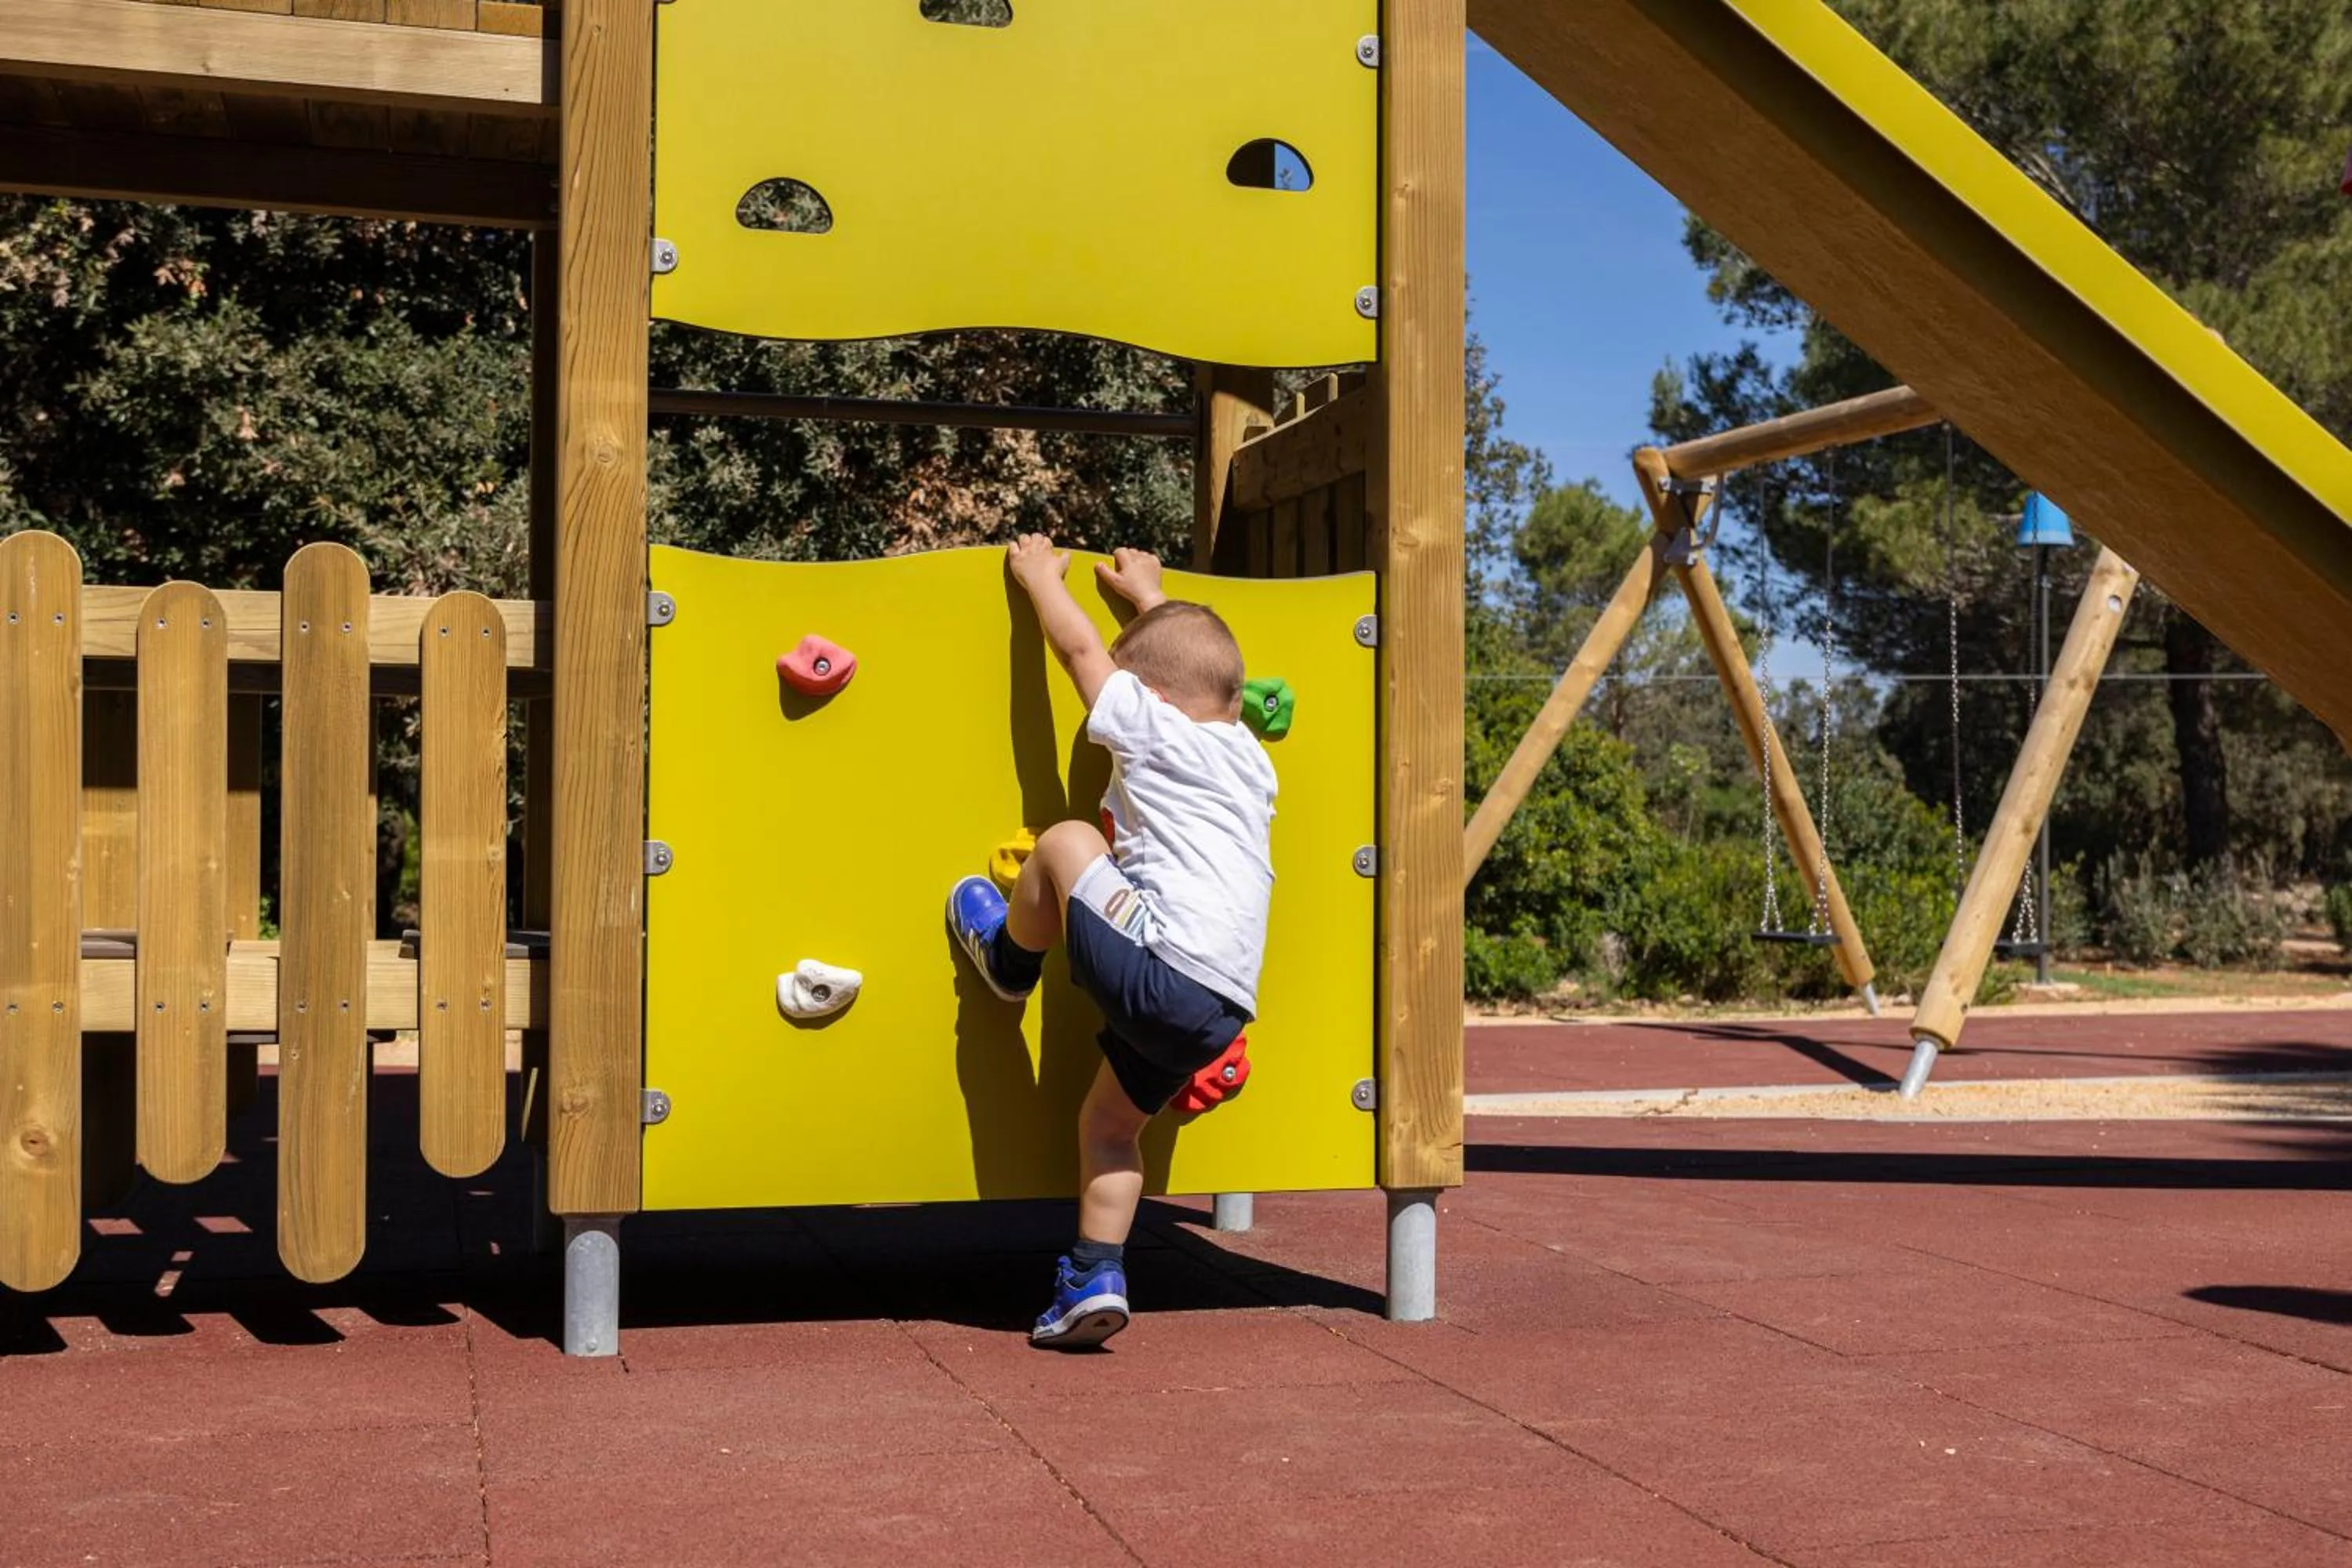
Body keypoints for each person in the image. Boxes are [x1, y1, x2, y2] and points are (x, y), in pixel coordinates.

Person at [947, 536, 1276, 1348]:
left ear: (1149, 696)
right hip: (1220, 1009)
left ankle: (1008, 961)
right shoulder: (1249, 758)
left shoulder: (1154, 730)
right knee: (1110, 1126)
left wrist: (1038, 580)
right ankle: (1093, 1273)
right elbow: (1192, 667)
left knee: (1063, 841)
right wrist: (1152, 597)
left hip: (1165, 968)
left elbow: (1079, 647)